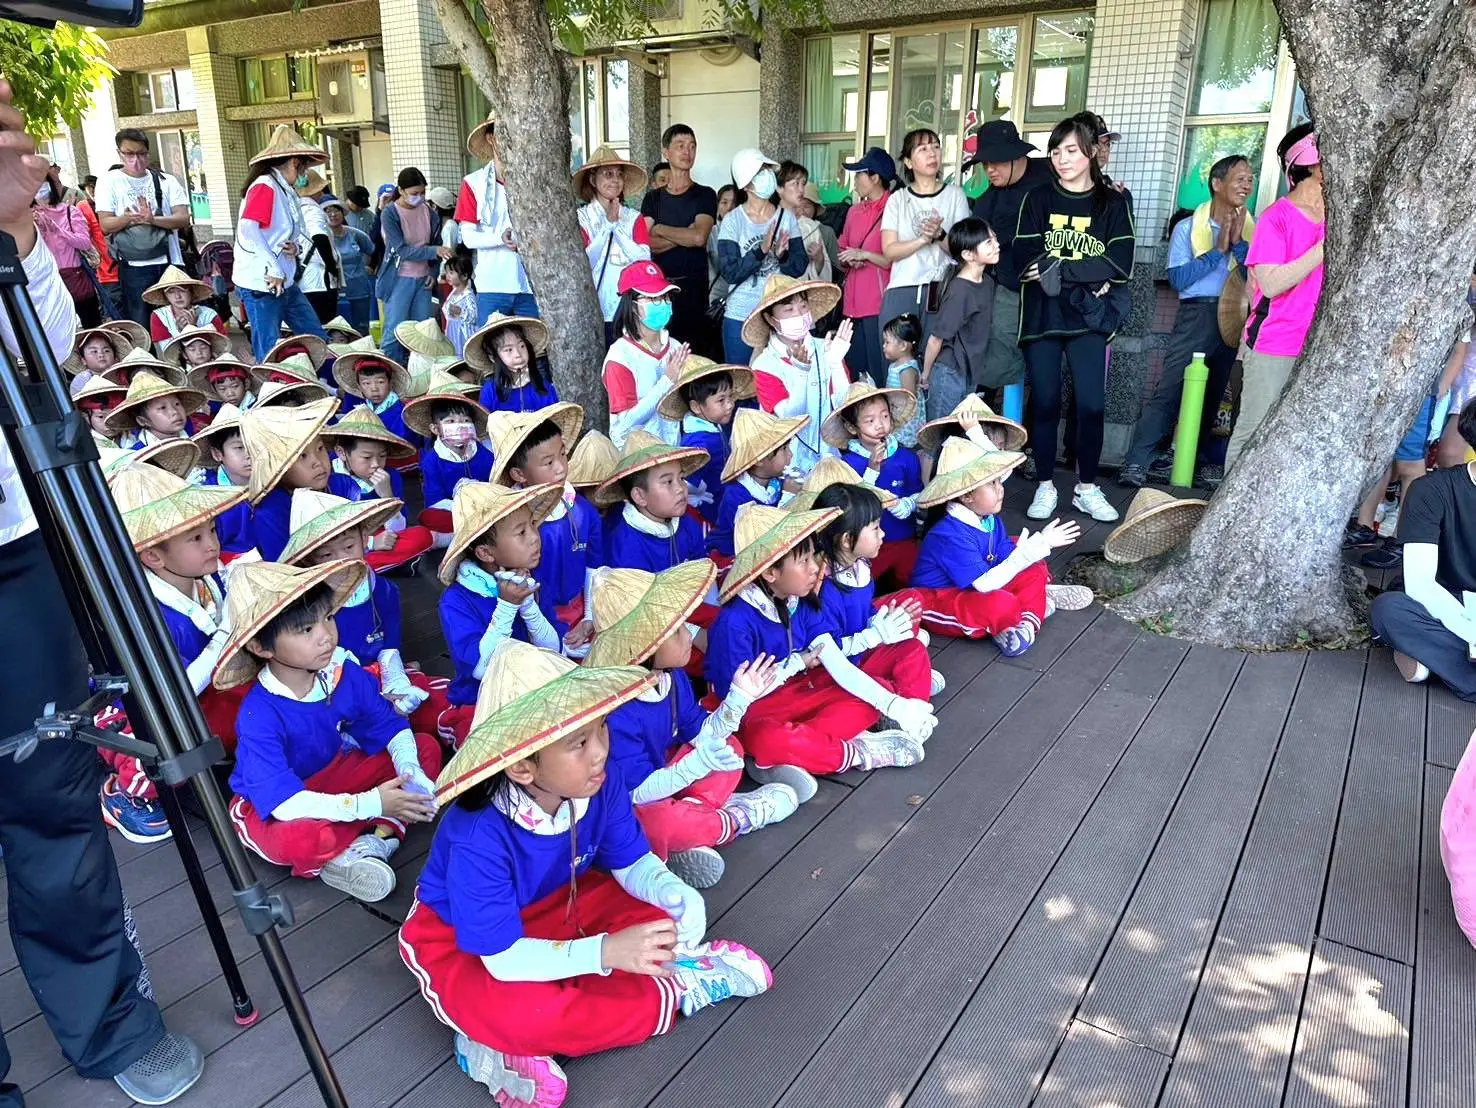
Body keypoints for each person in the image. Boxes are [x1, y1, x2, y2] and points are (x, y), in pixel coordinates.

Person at [0, 79, 206, 1102]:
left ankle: (108, 1019)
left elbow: (39, 358)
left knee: (53, 791)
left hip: (15, 534)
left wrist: (17, 231)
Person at [398, 639, 773, 1107]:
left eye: (601, 729)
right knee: (524, 1013)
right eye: (579, 743)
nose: (599, 752)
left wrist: (672, 890)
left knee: (660, 919)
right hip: (463, 937)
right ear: (521, 766)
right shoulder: (478, 837)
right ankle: (674, 989)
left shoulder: (601, 778)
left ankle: (536, 1033)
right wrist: (606, 951)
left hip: (565, 897)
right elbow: (502, 958)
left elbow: (630, 860)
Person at [218, 559, 441, 903]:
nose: (325, 635)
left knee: (423, 749)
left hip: (336, 771)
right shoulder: (258, 713)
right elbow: (285, 804)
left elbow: (387, 724)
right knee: (303, 840)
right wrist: (372, 802)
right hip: (279, 798)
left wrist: (408, 770)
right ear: (261, 647)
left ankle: (370, 842)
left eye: (327, 618)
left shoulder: (339, 671)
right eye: (305, 630)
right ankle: (380, 828)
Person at [705, 504, 935, 804]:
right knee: (768, 738)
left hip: (803, 690)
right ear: (771, 572)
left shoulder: (799, 601)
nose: (816, 567)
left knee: (876, 693)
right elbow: (734, 700)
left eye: (814, 556)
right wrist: (796, 663)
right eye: (803, 561)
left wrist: (893, 702)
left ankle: (799, 751)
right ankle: (856, 752)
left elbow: (834, 660)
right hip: (757, 712)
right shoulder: (734, 622)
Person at [587, 562, 798, 889]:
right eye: (676, 631)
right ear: (645, 645)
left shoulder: (673, 677)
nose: (690, 636)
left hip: (669, 775)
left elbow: (704, 734)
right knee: (656, 822)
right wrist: (695, 767)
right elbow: (637, 793)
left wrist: (738, 700)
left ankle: (695, 818)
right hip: (633, 800)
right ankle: (734, 819)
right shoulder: (616, 713)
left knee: (729, 747)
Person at [99, 465, 247, 841]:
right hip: (143, 706)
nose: (212, 543)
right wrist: (225, 636)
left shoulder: (206, 577)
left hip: (202, 693)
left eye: (211, 530)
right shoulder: (149, 613)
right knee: (170, 742)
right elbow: (176, 690)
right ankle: (124, 792)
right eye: (195, 538)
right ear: (153, 557)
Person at [1014, 115, 1137, 524]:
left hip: (1089, 319)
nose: (1061, 159)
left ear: (1091, 152)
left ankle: (1086, 487)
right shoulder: (1037, 199)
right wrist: (1088, 270)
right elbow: (1023, 259)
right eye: (1055, 151)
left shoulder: (1113, 203)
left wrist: (1060, 270)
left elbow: (1120, 262)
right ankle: (1045, 484)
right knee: (1045, 402)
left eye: (1070, 150)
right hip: (1042, 317)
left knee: (1092, 405)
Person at [1121, 155, 1254, 490]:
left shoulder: (1252, 228)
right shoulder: (1187, 228)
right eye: (1239, 178)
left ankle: (1193, 463)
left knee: (1213, 396)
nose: (1247, 185)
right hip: (1197, 314)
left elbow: (1255, 274)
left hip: (1235, 316)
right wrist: (1216, 251)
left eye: (1250, 179)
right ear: (1217, 184)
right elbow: (1179, 279)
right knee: (1170, 389)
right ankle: (1137, 461)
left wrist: (1238, 246)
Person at [279, 489, 448, 727]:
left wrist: (395, 679)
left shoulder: (383, 589)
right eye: (327, 554)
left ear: (364, 539)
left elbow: (389, 647)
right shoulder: (306, 607)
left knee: (432, 700)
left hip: (380, 673)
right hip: (334, 687)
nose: (343, 561)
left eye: (349, 547)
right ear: (308, 561)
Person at [911, 436, 1092, 651]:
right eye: (992, 483)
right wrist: (1035, 547)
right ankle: (1034, 605)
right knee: (1001, 603)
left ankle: (1025, 622)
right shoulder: (948, 536)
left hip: (979, 586)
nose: (1001, 488)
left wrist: (1031, 551)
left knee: (1033, 569)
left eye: (998, 481)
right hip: (939, 599)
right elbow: (983, 585)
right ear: (968, 496)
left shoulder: (988, 519)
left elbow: (1006, 555)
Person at [435, 482, 564, 744]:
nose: (535, 537)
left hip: (532, 687)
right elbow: (483, 669)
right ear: (485, 552)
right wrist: (507, 606)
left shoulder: (528, 578)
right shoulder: (456, 602)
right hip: (481, 699)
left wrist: (527, 604)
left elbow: (553, 647)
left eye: (532, 525)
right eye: (521, 532)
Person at [1228, 122, 1325, 469]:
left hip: (1321, 346)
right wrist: (1322, 250)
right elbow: (1269, 284)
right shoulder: (1276, 218)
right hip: (1276, 342)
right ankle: (1228, 513)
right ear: (1311, 163)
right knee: (1253, 430)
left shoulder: (1337, 216)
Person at [1371, 399, 1476, 701]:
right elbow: (1421, 586)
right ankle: (1456, 665)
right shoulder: (1433, 490)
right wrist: (1471, 633)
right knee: (1389, 609)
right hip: (1444, 601)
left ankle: (1433, 660)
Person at [486, 404, 602, 647]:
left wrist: (590, 618)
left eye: (562, 454)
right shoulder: (509, 527)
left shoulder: (583, 511)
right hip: (534, 621)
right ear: (518, 474)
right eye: (548, 462)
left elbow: (595, 566)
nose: (561, 467)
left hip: (583, 611)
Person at [966, 120, 1054, 400]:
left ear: (1018, 156)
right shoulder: (986, 202)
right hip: (1009, 289)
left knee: (1048, 372)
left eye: (998, 162)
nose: (990, 169)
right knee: (998, 364)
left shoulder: (1053, 176)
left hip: (1055, 290)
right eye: (985, 163)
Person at [233, 125, 332, 361]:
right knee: (268, 347)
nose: (305, 174)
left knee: (316, 338)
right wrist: (274, 266)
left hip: (285, 281)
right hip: (262, 284)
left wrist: (295, 248)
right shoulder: (265, 185)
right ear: (295, 162)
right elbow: (248, 229)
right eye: (305, 167)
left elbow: (283, 232)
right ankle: (269, 392)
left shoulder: (283, 188)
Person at [743, 274, 851, 474]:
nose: (799, 314)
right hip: (788, 465)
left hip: (831, 457)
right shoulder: (764, 365)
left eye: (803, 306)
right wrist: (802, 373)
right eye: (789, 309)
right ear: (770, 319)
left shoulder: (827, 348)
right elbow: (789, 417)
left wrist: (835, 363)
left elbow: (846, 404)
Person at [824, 382, 924, 589]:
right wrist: (871, 470)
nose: (880, 425)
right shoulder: (847, 465)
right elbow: (849, 504)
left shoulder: (906, 457)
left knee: (912, 583)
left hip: (905, 538)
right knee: (864, 587)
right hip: (864, 548)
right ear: (852, 427)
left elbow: (918, 493)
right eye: (870, 420)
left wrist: (907, 504)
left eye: (885, 416)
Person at [879, 128, 971, 345]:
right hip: (902, 288)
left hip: (941, 289)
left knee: (936, 360)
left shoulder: (955, 195)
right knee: (898, 362)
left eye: (936, 147)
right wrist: (921, 240)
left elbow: (963, 251)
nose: (932, 153)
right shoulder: (898, 199)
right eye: (923, 149)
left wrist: (939, 234)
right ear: (909, 162)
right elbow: (889, 250)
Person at [239, 397, 360, 560]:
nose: (317, 462)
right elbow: (284, 567)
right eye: (302, 456)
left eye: (320, 448)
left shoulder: (342, 485)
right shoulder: (271, 512)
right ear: (279, 468)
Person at [715, 147, 805, 364]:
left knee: (778, 384)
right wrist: (761, 251)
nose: (767, 175)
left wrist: (782, 256)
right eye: (760, 171)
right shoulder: (732, 221)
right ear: (745, 184)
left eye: (767, 169)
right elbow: (730, 272)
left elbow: (799, 266)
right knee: (742, 383)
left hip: (780, 317)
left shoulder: (787, 218)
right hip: (740, 316)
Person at [95, 128, 192, 327]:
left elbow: (183, 218)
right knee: (141, 323)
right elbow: (105, 224)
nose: (135, 159)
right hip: (133, 266)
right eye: (129, 154)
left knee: (179, 322)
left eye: (141, 153)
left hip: (170, 261)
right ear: (119, 153)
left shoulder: (166, 181)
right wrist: (128, 218)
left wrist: (152, 219)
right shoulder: (109, 181)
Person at [322, 406, 435, 570]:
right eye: (367, 457)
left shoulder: (390, 476)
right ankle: (372, 567)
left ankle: (361, 569)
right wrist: (371, 543)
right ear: (341, 453)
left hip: (384, 539)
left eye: (382, 456)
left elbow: (398, 529)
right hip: (344, 548)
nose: (376, 464)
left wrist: (386, 496)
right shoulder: (330, 481)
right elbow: (329, 534)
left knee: (421, 536)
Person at [641, 125, 718, 348]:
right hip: (659, 291)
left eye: (692, 146)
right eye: (680, 146)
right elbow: (648, 245)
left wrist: (661, 228)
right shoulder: (653, 199)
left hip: (694, 291)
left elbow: (698, 238)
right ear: (666, 152)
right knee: (662, 352)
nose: (687, 152)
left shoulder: (705, 194)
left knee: (695, 356)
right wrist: (686, 230)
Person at [602, 260, 691, 447]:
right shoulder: (620, 357)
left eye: (666, 297)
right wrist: (667, 380)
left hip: (674, 450)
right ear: (632, 305)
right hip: (638, 456)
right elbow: (623, 425)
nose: (663, 304)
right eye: (654, 298)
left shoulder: (675, 347)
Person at [456, 118, 537, 319]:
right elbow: (468, 237)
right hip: (492, 283)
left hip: (531, 283)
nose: (510, 141)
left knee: (534, 346)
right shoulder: (473, 183)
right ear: (491, 138)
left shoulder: (534, 183)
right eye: (504, 134)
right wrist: (500, 238)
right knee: (491, 345)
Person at [658, 356, 755, 524]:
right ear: (696, 407)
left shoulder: (711, 427)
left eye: (731, 397)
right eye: (721, 400)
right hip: (710, 514)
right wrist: (695, 493)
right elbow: (686, 481)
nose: (730, 404)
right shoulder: (698, 442)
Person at [921, 218, 1000, 423]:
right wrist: (925, 375)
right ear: (967, 255)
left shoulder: (988, 282)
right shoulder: (960, 291)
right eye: (988, 242)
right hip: (949, 372)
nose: (997, 245)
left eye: (995, 239)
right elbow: (935, 339)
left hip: (970, 372)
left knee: (959, 433)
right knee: (938, 436)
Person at [598, 432, 710, 574]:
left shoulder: (689, 523)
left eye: (681, 478)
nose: (681, 488)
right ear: (639, 496)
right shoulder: (625, 550)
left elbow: (702, 573)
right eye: (668, 482)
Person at [402, 374, 494, 540]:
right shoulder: (431, 461)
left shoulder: (483, 453)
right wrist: (464, 506)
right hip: (453, 513)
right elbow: (435, 500)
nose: (459, 426)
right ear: (436, 429)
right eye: (450, 421)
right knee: (430, 520)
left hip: (486, 507)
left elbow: (495, 483)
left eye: (465, 420)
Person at [708, 407, 806, 560]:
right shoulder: (737, 497)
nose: (790, 455)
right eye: (784, 449)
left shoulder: (776, 482)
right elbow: (765, 539)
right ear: (760, 459)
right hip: (736, 556)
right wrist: (788, 496)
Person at [576, 146, 652, 341]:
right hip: (595, 307)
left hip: (629, 309)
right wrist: (607, 226)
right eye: (608, 174)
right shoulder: (581, 218)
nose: (615, 180)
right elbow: (584, 262)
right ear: (593, 180)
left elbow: (644, 260)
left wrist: (615, 226)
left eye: (619, 174)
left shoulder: (634, 217)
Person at [836, 147, 897, 386]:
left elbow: (893, 258)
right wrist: (849, 257)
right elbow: (842, 249)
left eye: (859, 175)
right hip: (851, 302)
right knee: (852, 371)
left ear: (875, 178)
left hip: (878, 303)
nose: (855, 181)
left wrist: (866, 254)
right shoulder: (854, 211)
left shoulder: (894, 207)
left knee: (880, 371)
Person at [378, 167, 445, 366]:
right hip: (399, 278)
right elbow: (402, 250)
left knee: (423, 331)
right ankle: (389, 372)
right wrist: (435, 251)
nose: (420, 197)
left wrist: (433, 271)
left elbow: (435, 243)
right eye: (414, 193)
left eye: (423, 192)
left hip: (423, 279)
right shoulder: (390, 213)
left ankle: (420, 374)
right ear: (401, 190)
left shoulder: (430, 213)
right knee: (394, 331)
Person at [32, 168, 101, 327]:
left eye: (42, 183)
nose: (38, 188)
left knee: (91, 328)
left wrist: (58, 230)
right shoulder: (26, 218)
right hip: (46, 283)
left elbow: (84, 242)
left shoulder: (69, 211)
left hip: (75, 279)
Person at [466, 313, 558, 415]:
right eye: (508, 350)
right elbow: (486, 424)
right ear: (492, 356)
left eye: (522, 346)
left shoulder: (543, 386)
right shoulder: (490, 391)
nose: (518, 354)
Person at [106, 370, 207, 451]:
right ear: (143, 421)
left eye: (177, 404)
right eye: (163, 408)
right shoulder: (137, 456)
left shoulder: (199, 440)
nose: (174, 411)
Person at [143, 264, 225, 353]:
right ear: (165, 296)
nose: (177, 296)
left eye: (182, 290)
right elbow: (169, 353)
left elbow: (221, 348)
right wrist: (181, 332)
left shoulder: (209, 314)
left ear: (191, 292)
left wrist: (193, 328)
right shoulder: (159, 316)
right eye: (171, 292)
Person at [321, 198, 375, 334]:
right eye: (328, 211)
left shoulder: (355, 234)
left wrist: (371, 267)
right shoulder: (321, 237)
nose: (333, 215)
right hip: (335, 290)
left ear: (342, 213)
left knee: (361, 327)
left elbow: (373, 251)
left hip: (359, 288)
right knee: (338, 329)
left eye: (336, 210)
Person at [777, 162, 837, 284]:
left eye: (803, 184)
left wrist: (819, 259)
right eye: (796, 184)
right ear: (779, 188)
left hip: (799, 296)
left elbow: (820, 273)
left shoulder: (810, 227)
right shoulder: (766, 221)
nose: (801, 190)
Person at [294, 170, 341, 324]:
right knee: (326, 325)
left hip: (304, 278)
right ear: (317, 190)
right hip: (320, 279)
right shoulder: (313, 210)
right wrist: (332, 267)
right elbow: (319, 236)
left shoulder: (295, 210)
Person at [882, 313, 927, 456]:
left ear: (902, 346)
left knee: (903, 451)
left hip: (905, 421)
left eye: (887, 342)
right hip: (896, 413)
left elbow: (909, 399)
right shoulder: (896, 365)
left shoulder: (907, 369)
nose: (884, 346)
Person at [706, 183, 741, 318]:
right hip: (718, 298)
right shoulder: (711, 232)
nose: (729, 208)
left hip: (743, 297)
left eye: (735, 203)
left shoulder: (748, 232)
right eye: (724, 202)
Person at [440, 250, 479, 357]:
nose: (448, 276)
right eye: (447, 272)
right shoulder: (453, 292)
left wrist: (460, 312)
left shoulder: (468, 295)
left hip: (464, 333)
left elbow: (474, 316)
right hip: (452, 331)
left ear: (464, 276)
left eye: (451, 273)